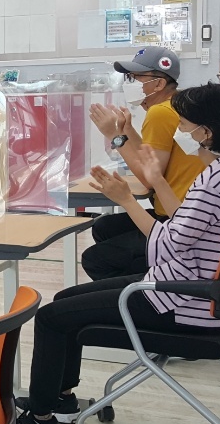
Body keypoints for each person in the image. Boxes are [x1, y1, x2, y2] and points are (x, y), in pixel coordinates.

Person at [22, 83, 220, 424]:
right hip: (196, 290)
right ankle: (61, 399)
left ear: (206, 132)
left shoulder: (213, 181)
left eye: (185, 124)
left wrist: (126, 201)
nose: (181, 131)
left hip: (182, 300)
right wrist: (159, 181)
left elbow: (165, 246)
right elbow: (184, 223)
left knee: (51, 317)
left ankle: (41, 423)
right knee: (65, 300)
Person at [83, 47, 206, 280]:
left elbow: (149, 178)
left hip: (175, 216)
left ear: (158, 84)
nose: (131, 83)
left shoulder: (160, 112)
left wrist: (114, 136)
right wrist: (127, 132)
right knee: (104, 227)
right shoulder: (176, 105)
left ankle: (141, 292)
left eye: (137, 77)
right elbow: (151, 157)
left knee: (96, 258)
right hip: (186, 210)